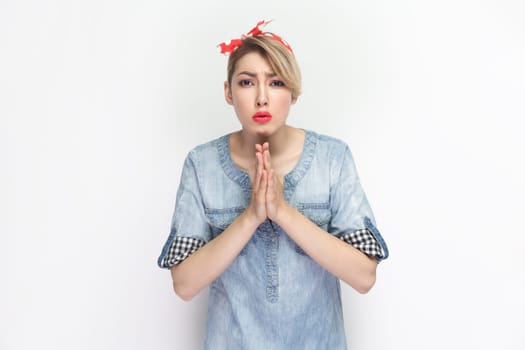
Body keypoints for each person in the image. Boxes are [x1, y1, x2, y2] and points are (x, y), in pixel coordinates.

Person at [157, 20, 389, 349]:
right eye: (247, 82)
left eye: (276, 82)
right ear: (228, 91)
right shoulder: (202, 165)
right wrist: (251, 216)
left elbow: (364, 276)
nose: (262, 98)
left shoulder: (332, 159)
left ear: (293, 92)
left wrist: (281, 211)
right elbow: (184, 284)